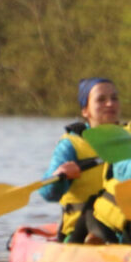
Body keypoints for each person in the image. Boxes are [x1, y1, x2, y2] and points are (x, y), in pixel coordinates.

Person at [42, 76, 131, 243]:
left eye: (114, 98)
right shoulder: (71, 145)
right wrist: (60, 177)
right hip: (79, 230)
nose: (110, 103)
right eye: (101, 99)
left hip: (121, 223)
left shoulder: (128, 135)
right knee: (92, 213)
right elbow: (48, 194)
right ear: (85, 110)